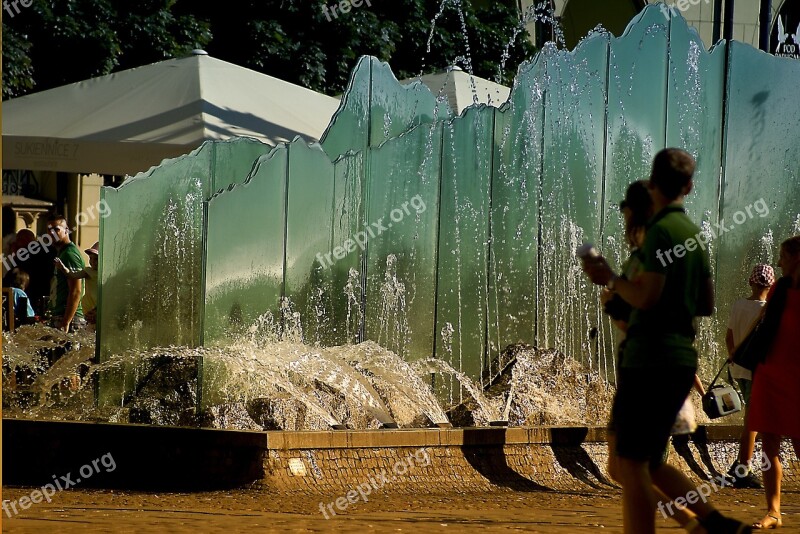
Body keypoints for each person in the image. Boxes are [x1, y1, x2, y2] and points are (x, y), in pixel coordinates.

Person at [584, 148, 751, 534]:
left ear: (654, 184)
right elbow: (706, 303)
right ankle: (713, 523)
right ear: (690, 186)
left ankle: (696, 525)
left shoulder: (659, 233)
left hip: (649, 359)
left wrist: (611, 279)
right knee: (647, 464)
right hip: (679, 357)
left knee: (631, 466)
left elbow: (647, 298)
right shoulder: (694, 234)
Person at [602, 180, 706, 534]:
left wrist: (615, 294)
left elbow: (634, 318)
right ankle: (699, 521)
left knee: (632, 466)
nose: (624, 218)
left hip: (646, 369)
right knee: (625, 468)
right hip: (661, 365)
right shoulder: (678, 250)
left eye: (626, 211)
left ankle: (702, 522)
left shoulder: (645, 258)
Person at [747, 235, 800, 529]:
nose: (778, 261)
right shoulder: (779, 288)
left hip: (797, 377)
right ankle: (774, 510)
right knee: (769, 442)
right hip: (770, 373)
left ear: (796, 258)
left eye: (783, 256)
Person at [725, 264, 775, 489]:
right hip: (758, 371)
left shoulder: (739, 305)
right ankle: (742, 468)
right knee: (753, 421)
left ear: (751, 282)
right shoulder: (768, 310)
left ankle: (741, 465)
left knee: (752, 418)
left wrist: (734, 357)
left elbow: (729, 336)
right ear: (771, 285)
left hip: (740, 369)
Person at [46, 214, 85, 332]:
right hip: (60, 316)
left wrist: (66, 322)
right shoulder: (62, 253)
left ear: (66, 230)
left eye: (56, 229)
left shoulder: (69, 254)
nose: (52, 233)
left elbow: (76, 291)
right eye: (49, 230)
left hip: (69, 320)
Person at [55, 241, 98, 325]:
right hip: (89, 306)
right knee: (91, 328)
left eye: (96, 259)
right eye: (90, 258)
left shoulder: (106, 274)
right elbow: (73, 275)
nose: (92, 262)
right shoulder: (88, 271)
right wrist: (63, 268)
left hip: (99, 307)